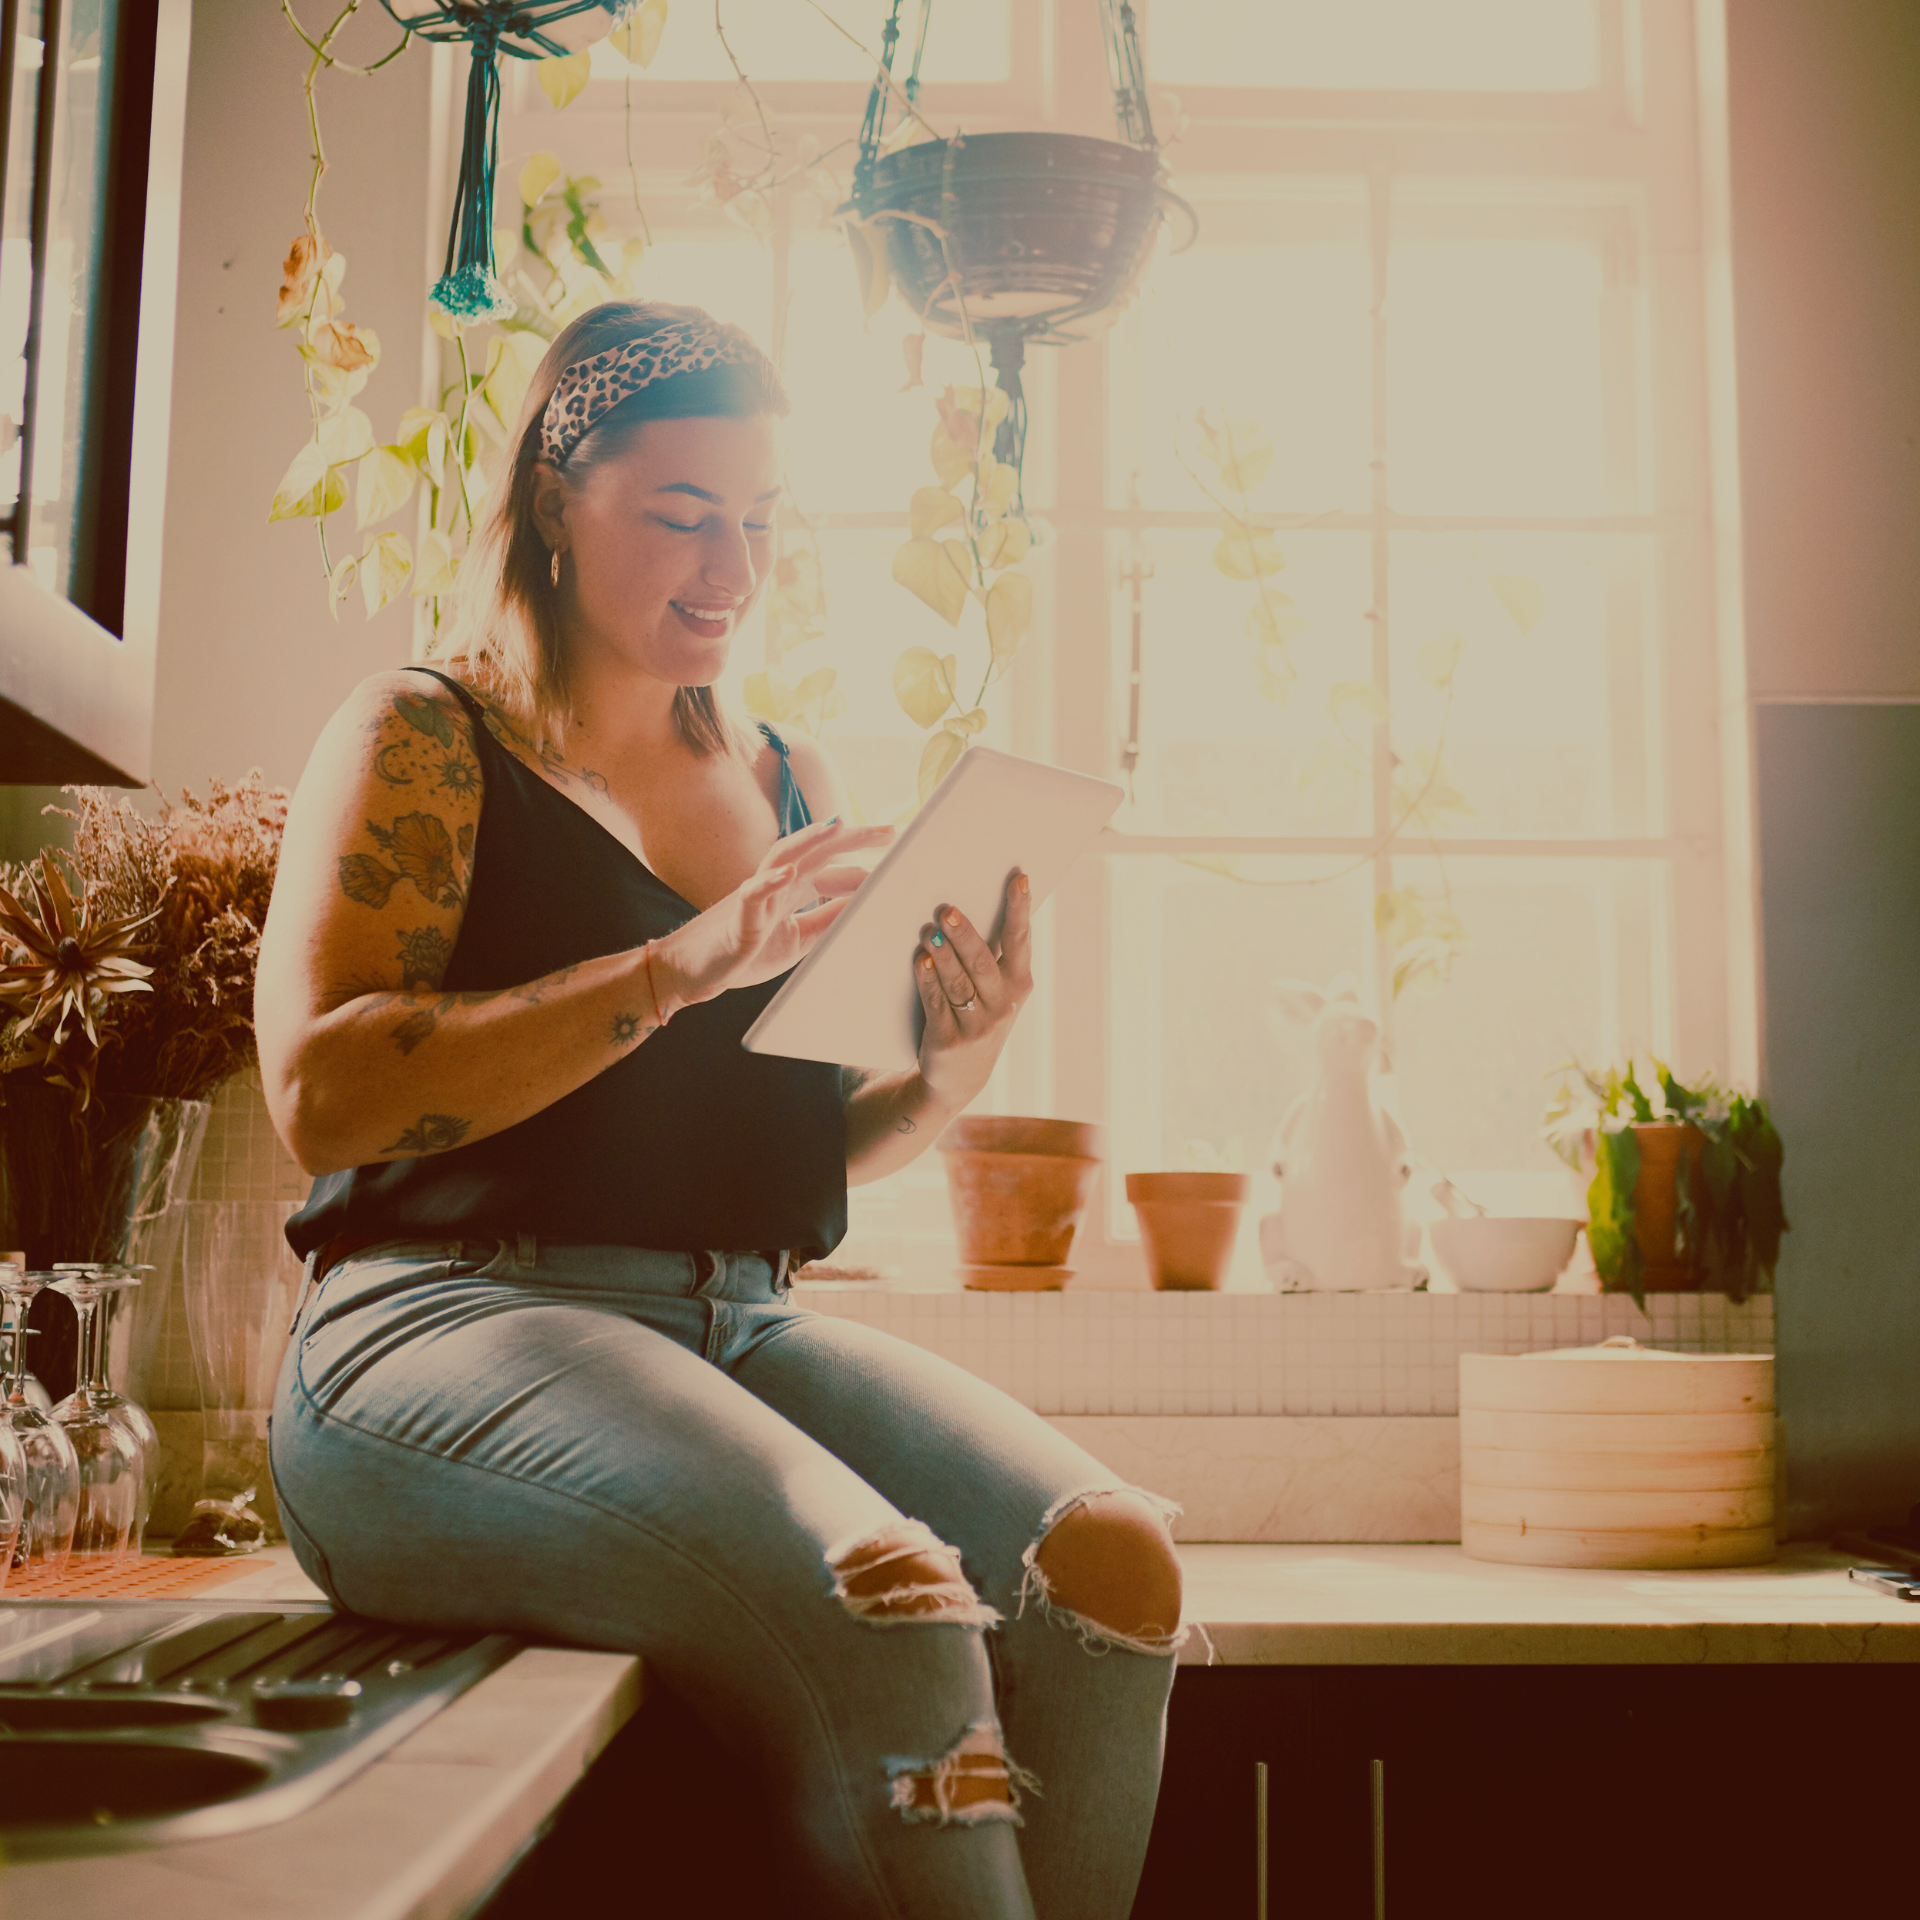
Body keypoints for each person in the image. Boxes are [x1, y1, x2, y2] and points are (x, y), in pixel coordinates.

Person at [255, 299, 1184, 1920]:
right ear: (556, 500)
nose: (731, 569)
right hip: (430, 1335)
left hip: (736, 1325)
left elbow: (790, 1161)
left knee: (1108, 1571)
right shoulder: (426, 735)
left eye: (758, 522)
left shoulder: (789, 777)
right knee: (890, 1595)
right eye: (682, 516)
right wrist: (676, 966)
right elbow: (321, 1093)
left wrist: (949, 1074)